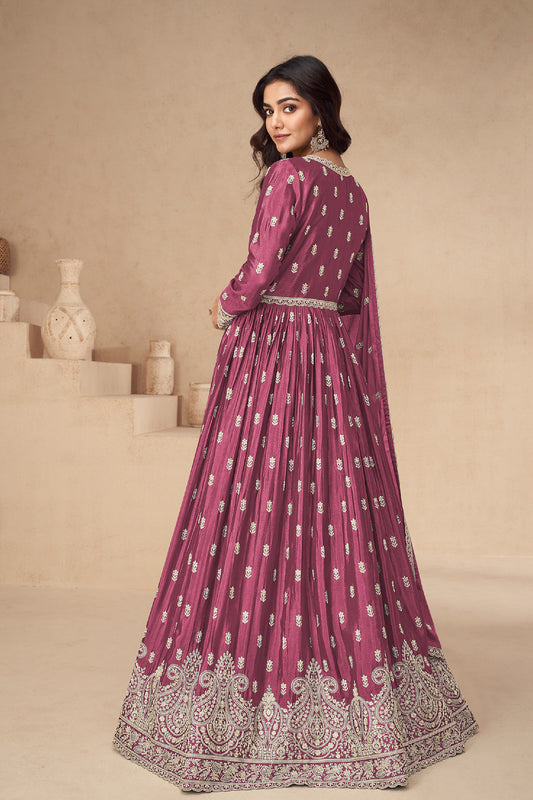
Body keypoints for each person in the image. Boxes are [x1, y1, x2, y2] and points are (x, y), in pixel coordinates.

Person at [114, 55, 478, 791]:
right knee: (330, 512)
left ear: (319, 108)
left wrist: (224, 305)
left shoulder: (289, 179)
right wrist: (327, 350)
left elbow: (259, 270)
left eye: (288, 107)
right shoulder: (355, 190)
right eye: (267, 110)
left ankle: (229, 718)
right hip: (329, 363)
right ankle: (365, 720)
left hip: (274, 354)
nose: (275, 122)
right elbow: (353, 297)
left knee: (250, 504)